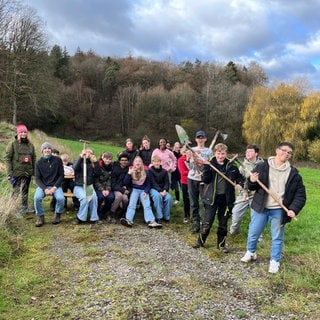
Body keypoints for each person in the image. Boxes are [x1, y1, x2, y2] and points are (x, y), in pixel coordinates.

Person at [241, 142, 306, 274]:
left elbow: (300, 195)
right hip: (261, 207)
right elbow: (250, 186)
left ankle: (275, 261)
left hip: (279, 210)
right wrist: (252, 181)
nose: (286, 154)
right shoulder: (262, 166)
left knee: (277, 237)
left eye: (289, 153)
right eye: (284, 150)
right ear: (277, 150)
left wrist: (293, 209)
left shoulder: (293, 174)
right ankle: (251, 252)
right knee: (254, 232)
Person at [193, 143, 244, 252]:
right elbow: (205, 180)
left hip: (226, 199)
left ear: (226, 154)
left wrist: (240, 184)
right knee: (207, 222)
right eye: (218, 153)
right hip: (211, 198)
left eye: (223, 154)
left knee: (223, 223)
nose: (220, 156)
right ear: (215, 153)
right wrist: (207, 168)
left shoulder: (231, 166)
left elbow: (240, 178)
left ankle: (221, 245)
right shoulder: (210, 165)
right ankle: (200, 241)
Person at [229, 144, 264, 235]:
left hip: (257, 195)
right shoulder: (242, 166)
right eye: (246, 151)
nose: (248, 153)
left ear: (256, 153)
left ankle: (257, 236)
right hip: (244, 194)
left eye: (250, 151)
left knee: (256, 217)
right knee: (236, 214)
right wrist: (244, 193)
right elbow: (241, 181)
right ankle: (234, 231)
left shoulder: (263, 165)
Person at [120, 156, 162, 228]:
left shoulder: (146, 172)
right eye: (136, 161)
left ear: (142, 163)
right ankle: (129, 220)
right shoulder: (131, 171)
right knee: (132, 204)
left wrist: (146, 191)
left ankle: (151, 221)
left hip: (143, 190)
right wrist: (129, 174)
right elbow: (125, 183)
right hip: (134, 190)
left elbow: (148, 184)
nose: (138, 163)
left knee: (147, 205)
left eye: (139, 161)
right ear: (134, 163)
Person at [4, 124, 36, 214]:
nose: (23, 134)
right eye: (21, 132)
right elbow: (7, 158)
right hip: (16, 173)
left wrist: (34, 172)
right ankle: (12, 210)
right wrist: (9, 173)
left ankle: (24, 208)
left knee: (25, 190)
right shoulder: (12, 144)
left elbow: (34, 158)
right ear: (18, 133)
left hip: (27, 172)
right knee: (16, 192)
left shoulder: (30, 145)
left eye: (25, 132)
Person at [186, 130, 213, 233]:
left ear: (205, 139)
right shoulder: (191, 150)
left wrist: (203, 162)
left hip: (204, 180)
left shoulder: (209, 151)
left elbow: (210, 164)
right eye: (198, 137)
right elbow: (189, 166)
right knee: (193, 202)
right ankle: (196, 223)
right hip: (192, 178)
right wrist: (190, 158)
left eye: (202, 137)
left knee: (205, 202)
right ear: (196, 139)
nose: (200, 139)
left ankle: (204, 224)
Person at [34, 142, 65, 227]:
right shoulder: (38, 163)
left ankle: (57, 214)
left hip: (55, 185)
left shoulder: (57, 160)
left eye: (49, 148)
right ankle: (40, 216)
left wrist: (55, 187)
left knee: (61, 198)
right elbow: (37, 179)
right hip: (43, 186)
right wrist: (45, 189)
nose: (47, 150)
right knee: (37, 198)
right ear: (42, 151)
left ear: (51, 150)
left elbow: (61, 175)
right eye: (45, 148)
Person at [72, 148, 102, 224]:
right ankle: (80, 218)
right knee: (84, 199)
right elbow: (74, 168)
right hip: (79, 186)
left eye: (90, 153)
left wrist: (95, 162)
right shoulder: (79, 161)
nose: (88, 153)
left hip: (88, 186)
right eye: (87, 152)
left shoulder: (92, 163)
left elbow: (98, 173)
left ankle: (94, 218)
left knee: (94, 198)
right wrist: (81, 157)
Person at [149, 155, 173, 223]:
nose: (156, 163)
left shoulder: (164, 171)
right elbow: (153, 183)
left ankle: (166, 216)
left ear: (160, 162)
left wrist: (165, 190)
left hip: (163, 189)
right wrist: (160, 191)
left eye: (158, 162)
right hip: (154, 189)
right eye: (155, 162)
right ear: (152, 163)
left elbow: (167, 182)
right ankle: (159, 216)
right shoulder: (150, 171)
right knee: (157, 196)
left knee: (169, 198)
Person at [94, 151, 115, 222]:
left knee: (111, 197)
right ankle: (96, 212)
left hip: (108, 187)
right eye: (106, 158)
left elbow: (110, 179)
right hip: (99, 187)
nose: (108, 160)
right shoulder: (98, 166)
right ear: (102, 158)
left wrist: (108, 189)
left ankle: (102, 212)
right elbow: (96, 181)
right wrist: (102, 190)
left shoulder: (112, 167)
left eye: (109, 159)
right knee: (100, 197)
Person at [110, 153, 131, 220]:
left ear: (128, 161)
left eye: (125, 160)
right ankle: (112, 213)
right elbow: (113, 184)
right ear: (119, 161)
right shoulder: (115, 169)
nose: (124, 162)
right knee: (119, 196)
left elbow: (130, 182)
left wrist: (127, 188)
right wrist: (123, 190)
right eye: (122, 160)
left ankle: (123, 212)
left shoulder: (129, 169)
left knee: (125, 199)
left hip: (125, 188)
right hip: (116, 188)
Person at [178, 146, 191, 223]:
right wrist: (192, 171)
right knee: (186, 199)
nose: (188, 153)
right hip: (185, 182)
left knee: (194, 199)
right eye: (186, 151)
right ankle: (186, 215)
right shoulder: (181, 160)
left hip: (194, 181)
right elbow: (182, 172)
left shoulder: (194, 159)